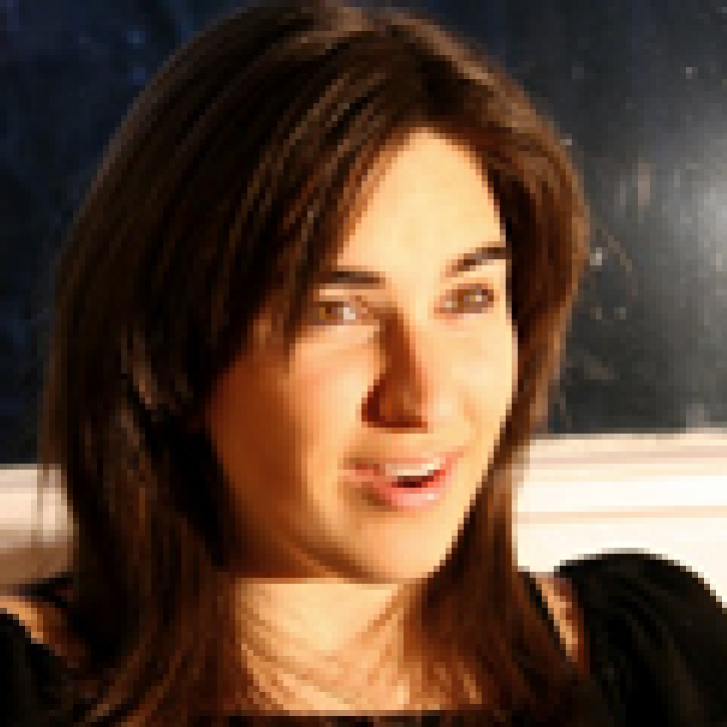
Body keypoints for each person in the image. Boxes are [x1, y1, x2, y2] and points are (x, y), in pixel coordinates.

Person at [1, 0, 726, 724]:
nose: (427, 398)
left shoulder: (656, 661)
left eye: (468, 298)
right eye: (336, 312)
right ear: (168, 354)